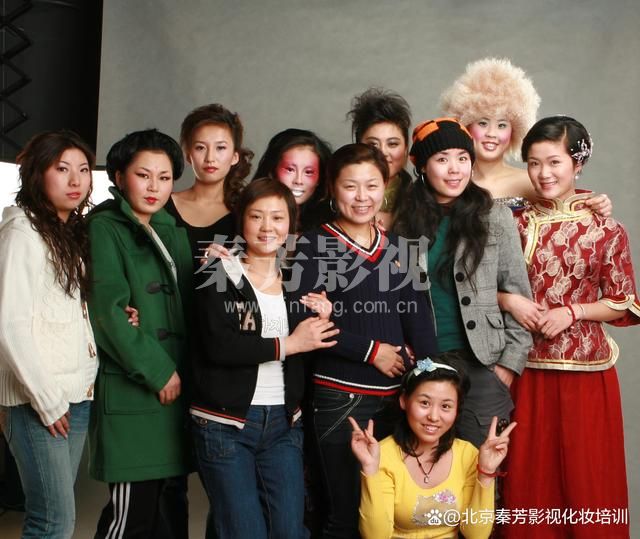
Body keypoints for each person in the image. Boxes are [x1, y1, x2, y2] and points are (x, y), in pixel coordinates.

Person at [289, 143, 438, 538]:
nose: (361, 197)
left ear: (384, 187)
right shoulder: (313, 246)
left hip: (399, 400)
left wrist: (428, 379)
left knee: (391, 512)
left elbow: (420, 323)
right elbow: (305, 322)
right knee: (345, 513)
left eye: (371, 186)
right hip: (342, 398)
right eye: (350, 186)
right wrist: (372, 352)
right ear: (331, 189)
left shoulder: (400, 249)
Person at [500, 116, 639, 539]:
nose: (543, 173)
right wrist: (508, 300)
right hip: (523, 369)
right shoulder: (511, 221)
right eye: (534, 163)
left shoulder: (606, 228)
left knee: (589, 479)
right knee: (528, 482)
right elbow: (476, 284)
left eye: (554, 162)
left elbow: (623, 300)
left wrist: (573, 312)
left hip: (588, 372)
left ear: (578, 164)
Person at [190, 178, 339, 538]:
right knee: (244, 531)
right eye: (256, 216)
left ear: (291, 223)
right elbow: (220, 346)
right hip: (225, 422)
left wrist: (321, 318)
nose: (267, 227)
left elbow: (309, 347)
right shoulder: (219, 272)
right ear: (241, 220)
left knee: (289, 530)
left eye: (277, 217)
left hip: (283, 424)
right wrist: (290, 344)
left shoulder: (297, 280)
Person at [394, 118, 533, 448]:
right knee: (425, 465)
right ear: (422, 165)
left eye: (462, 157)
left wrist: (507, 367)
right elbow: (398, 297)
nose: (454, 169)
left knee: (482, 466)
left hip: (483, 362)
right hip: (425, 361)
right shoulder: (404, 222)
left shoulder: (494, 216)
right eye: (442, 159)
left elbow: (519, 292)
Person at [87, 129, 193, 538]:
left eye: (164, 178)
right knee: (131, 517)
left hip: (177, 392)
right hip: (138, 387)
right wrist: (157, 371)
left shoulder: (170, 227)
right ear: (119, 176)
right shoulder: (104, 227)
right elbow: (108, 312)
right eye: (143, 175)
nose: (154, 187)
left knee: (166, 513)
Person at [0, 130, 98, 539]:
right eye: (62, 169)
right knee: (51, 522)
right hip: (40, 400)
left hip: (75, 396)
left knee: (55, 519)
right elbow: (10, 323)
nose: (76, 180)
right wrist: (46, 399)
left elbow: (60, 310)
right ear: (38, 174)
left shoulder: (64, 231)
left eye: (83, 170)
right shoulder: (21, 232)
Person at [350, 359, 516, 539]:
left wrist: (486, 473)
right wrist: (370, 469)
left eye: (446, 406)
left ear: (456, 410)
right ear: (404, 401)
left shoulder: (467, 454)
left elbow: (476, 535)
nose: (434, 417)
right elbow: (375, 536)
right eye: (424, 403)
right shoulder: (382, 453)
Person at [440, 57, 611, 215]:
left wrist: (596, 206)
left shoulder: (534, 182)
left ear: (515, 130)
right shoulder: (449, 179)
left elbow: (567, 223)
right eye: (483, 123)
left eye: (502, 125)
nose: (492, 134)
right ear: (466, 124)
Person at [165, 103, 253, 267]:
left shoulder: (245, 213)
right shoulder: (162, 206)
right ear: (189, 155)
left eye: (220, 148)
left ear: (235, 157)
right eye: (200, 148)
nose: (210, 158)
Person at [348, 87, 412, 229]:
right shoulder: (338, 197)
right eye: (373, 144)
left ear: (406, 149)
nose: (382, 152)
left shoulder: (420, 200)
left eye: (392, 144)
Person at [252, 128, 332, 233]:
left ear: (320, 178)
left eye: (308, 172)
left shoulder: (329, 228)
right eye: (290, 170)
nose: (298, 180)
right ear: (272, 171)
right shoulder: (248, 218)